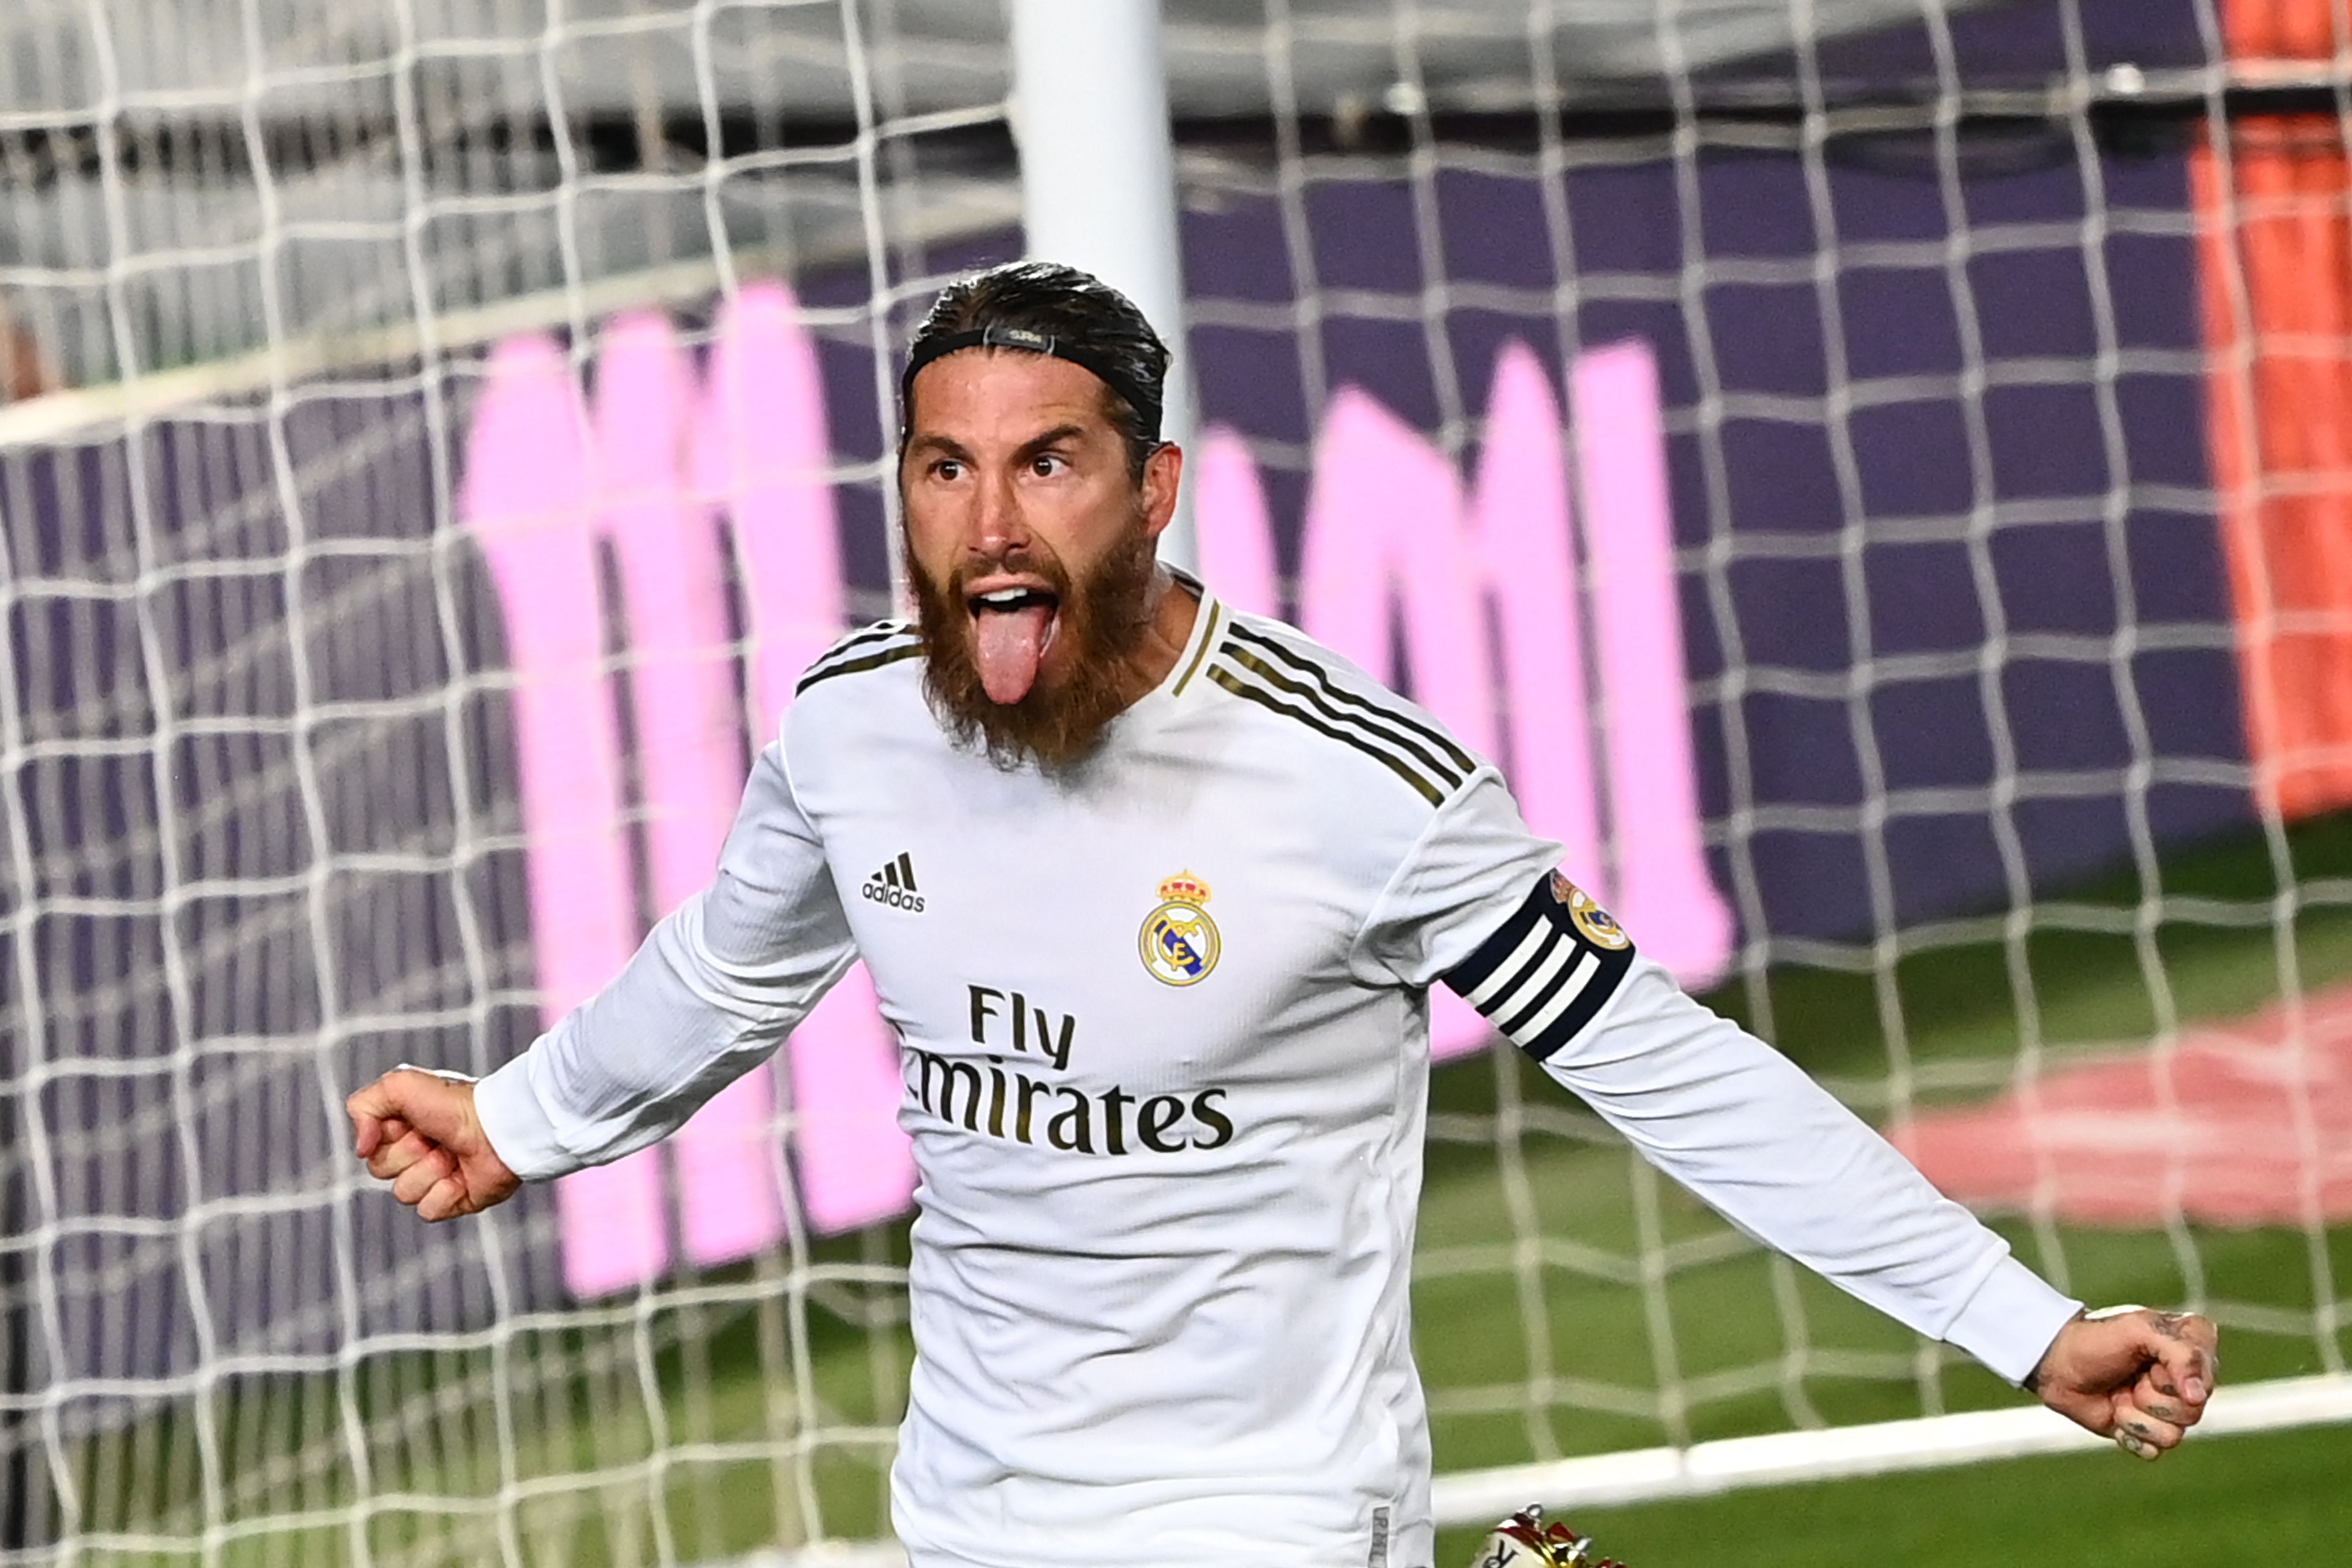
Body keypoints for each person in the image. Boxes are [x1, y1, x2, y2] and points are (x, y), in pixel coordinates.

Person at [348, 261, 2218, 1568]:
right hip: (976, 1509)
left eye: (1049, 462)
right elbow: (725, 969)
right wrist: (521, 1120)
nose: (992, 520)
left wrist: (2018, 1317)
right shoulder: (852, 723)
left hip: (1271, 1516)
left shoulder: (1363, 782)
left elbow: (1672, 1069)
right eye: (946, 466)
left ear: (1152, 488)